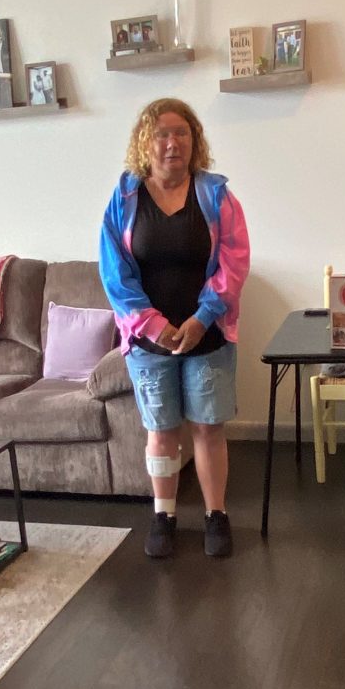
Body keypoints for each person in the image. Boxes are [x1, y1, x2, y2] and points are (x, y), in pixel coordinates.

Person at [99, 98, 251, 559]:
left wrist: (201, 317)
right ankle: (163, 515)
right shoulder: (124, 199)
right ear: (146, 143)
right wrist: (156, 325)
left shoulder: (216, 195)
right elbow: (114, 273)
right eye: (162, 133)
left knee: (208, 427)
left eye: (182, 132)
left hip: (208, 336)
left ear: (194, 140)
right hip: (149, 342)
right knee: (161, 431)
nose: (172, 143)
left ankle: (215, 515)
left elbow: (234, 261)